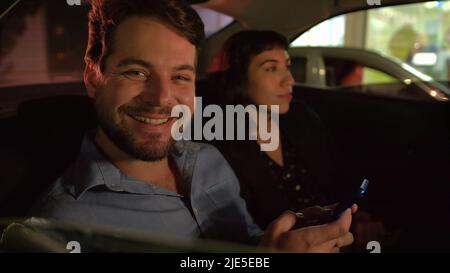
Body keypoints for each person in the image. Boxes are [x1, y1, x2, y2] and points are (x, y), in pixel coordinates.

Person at [30, 0, 356, 252]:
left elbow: (247, 245)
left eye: (181, 77)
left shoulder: (209, 160)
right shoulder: (61, 227)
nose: (161, 98)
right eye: (136, 72)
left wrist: (287, 239)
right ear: (92, 78)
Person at [205, 30, 383, 249]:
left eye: (287, 67)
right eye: (271, 69)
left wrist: (360, 215)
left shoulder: (301, 118)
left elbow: (337, 175)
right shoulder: (219, 143)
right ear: (238, 78)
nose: (289, 80)